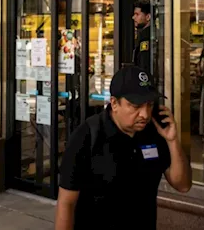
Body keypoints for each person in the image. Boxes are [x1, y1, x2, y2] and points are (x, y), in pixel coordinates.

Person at [55, 66, 191, 230]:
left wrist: (173, 141)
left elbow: (182, 185)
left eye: (149, 105)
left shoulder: (155, 132)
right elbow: (66, 203)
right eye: (135, 106)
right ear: (114, 103)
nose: (145, 114)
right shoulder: (87, 136)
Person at [132, 0, 152, 74]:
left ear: (148, 17)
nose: (133, 17)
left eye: (137, 14)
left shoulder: (146, 38)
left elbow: (144, 64)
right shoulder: (143, 36)